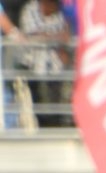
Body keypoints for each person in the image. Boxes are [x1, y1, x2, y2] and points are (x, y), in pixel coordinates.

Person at [13, 0, 73, 130]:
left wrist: (52, 38)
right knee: (40, 109)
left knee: (58, 109)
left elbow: (67, 37)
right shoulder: (30, 10)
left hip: (57, 71)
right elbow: (31, 36)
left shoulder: (61, 13)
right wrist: (55, 37)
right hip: (34, 70)